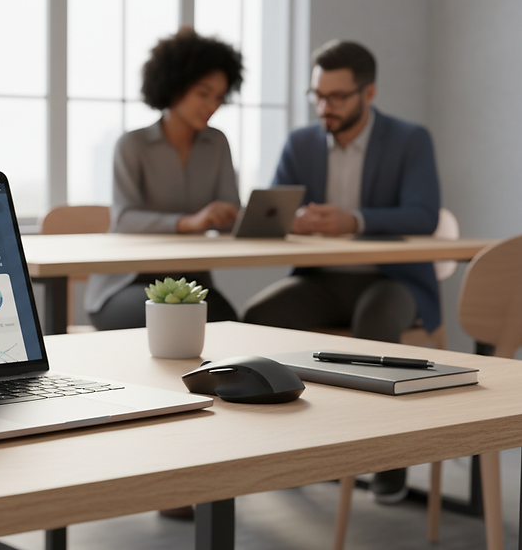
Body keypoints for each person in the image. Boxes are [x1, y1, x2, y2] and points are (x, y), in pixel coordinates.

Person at [243, 40, 441, 503]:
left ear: (368, 94)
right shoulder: (301, 141)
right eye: (317, 95)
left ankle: (387, 461)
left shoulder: (410, 139)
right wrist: (291, 220)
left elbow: (423, 215)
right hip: (322, 279)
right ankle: (273, 450)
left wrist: (355, 221)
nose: (323, 107)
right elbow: (276, 208)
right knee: (255, 317)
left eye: (336, 97)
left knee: (374, 328)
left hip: (392, 279)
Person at [84, 27, 243, 331]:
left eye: (220, 97)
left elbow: (228, 212)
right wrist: (189, 222)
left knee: (231, 325)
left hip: (191, 284)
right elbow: (125, 219)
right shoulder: (133, 145)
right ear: (174, 87)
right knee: (175, 323)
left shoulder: (217, 143)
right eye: (203, 93)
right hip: (125, 283)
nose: (212, 106)